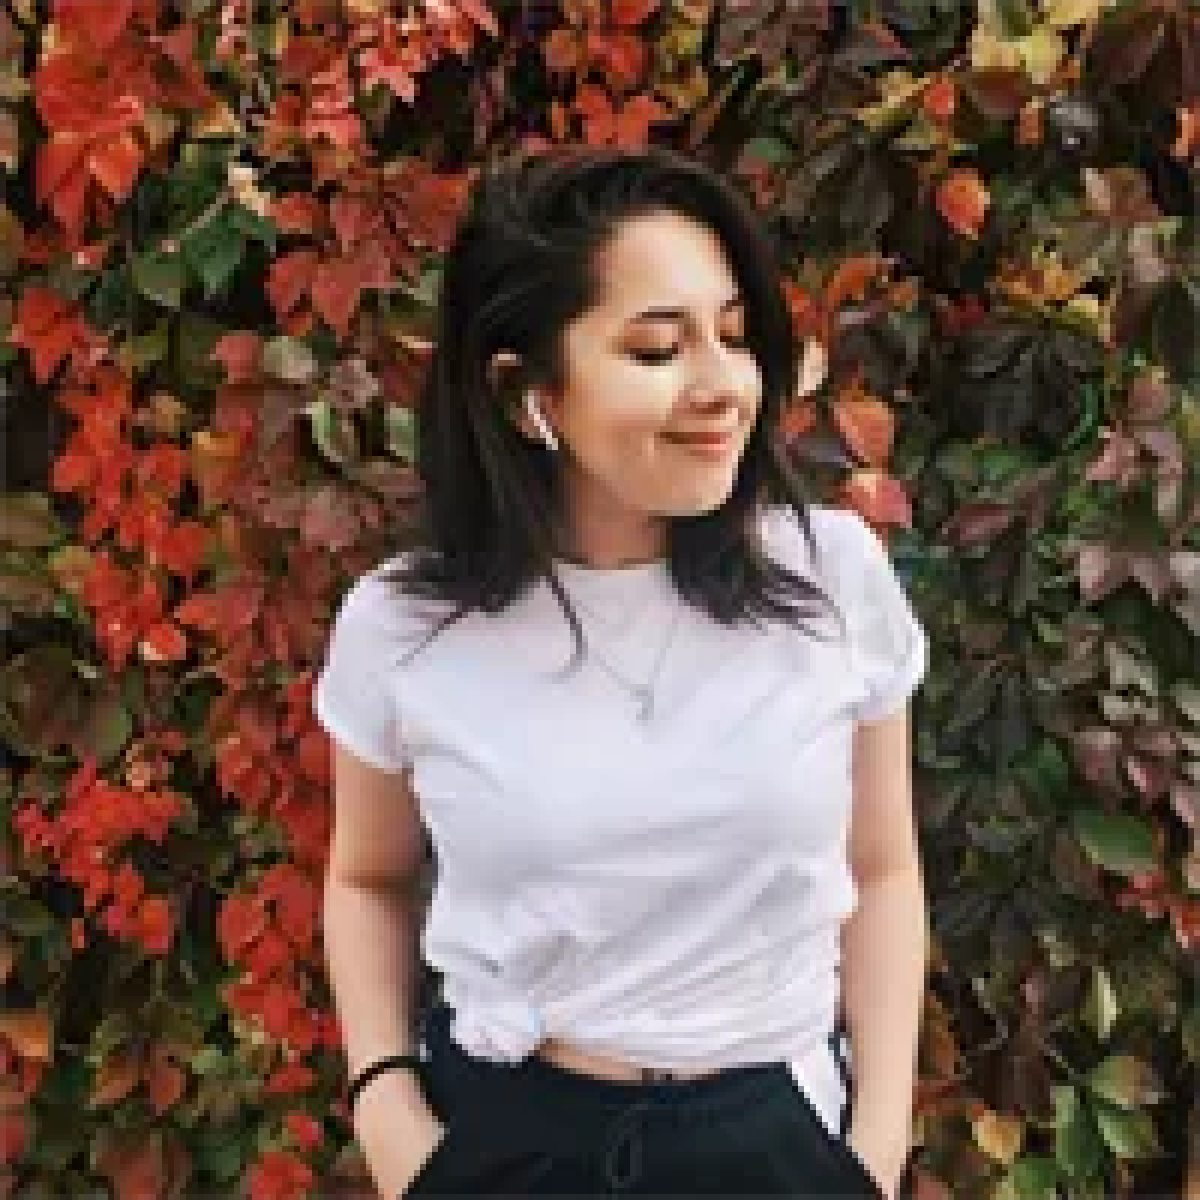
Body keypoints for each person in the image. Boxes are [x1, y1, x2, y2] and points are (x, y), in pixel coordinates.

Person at [316, 143, 929, 1199]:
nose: (721, 386)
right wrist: (388, 1107)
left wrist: (874, 1144)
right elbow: (366, 878)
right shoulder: (405, 627)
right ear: (526, 392)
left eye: (734, 336)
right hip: (510, 1138)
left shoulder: (830, 576)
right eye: (656, 349)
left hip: (775, 1140)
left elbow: (882, 869)